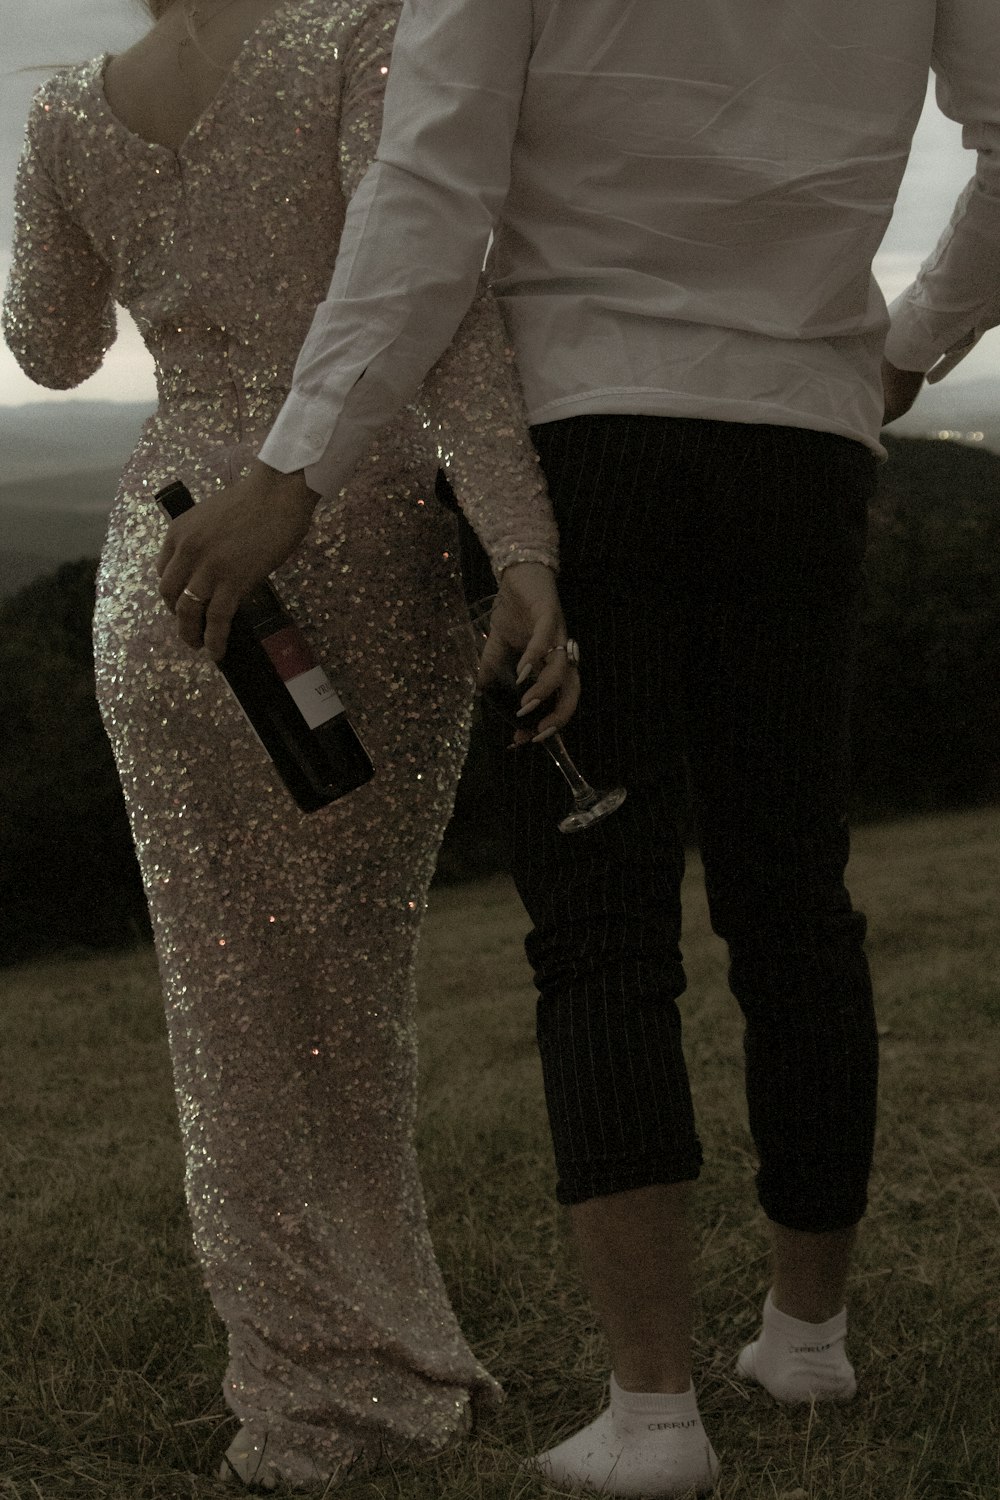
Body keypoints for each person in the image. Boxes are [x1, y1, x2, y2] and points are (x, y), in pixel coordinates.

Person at [149, 0, 1000, 1495]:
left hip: (582, 435)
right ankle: (807, 1340)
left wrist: (295, 467)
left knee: (604, 933)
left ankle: (656, 1418)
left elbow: (430, 197)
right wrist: (911, 347)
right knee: (796, 899)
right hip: (802, 436)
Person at [2, 0, 580, 1490]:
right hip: (349, 531)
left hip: (171, 561)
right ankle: (363, 1373)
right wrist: (523, 543)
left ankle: (311, 1386)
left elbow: (52, 350)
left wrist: (75, 197)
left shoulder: (66, 105)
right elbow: (433, 301)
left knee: (228, 1010)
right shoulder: (356, 37)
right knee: (342, 993)